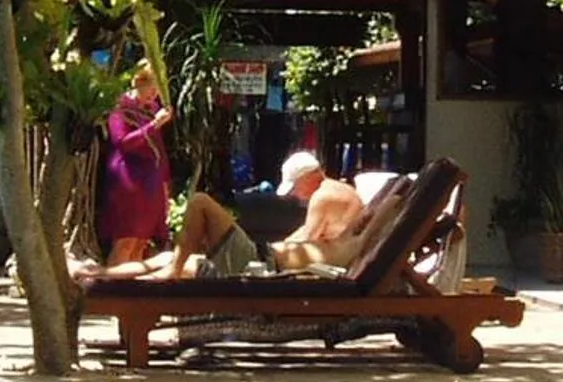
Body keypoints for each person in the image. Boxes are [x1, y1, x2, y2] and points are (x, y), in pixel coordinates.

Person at [147, 149, 369, 281]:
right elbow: (305, 238)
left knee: (200, 202)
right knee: (184, 262)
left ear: (307, 178)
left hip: (262, 263)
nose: (295, 195)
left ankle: (171, 273)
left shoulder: (323, 197)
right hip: (266, 257)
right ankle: (116, 278)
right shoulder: (345, 193)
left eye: (295, 188)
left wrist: (277, 248)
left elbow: (307, 240)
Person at [100, 63, 173, 266]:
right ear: (138, 82)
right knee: (126, 240)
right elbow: (122, 142)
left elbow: (159, 150)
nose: (154, 93)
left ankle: (130, 290)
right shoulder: (120, 106)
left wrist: (165, 184)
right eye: (151, 86)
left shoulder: (153, 109)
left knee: (141, 242)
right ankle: (113, 290)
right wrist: (153, 125)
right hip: (127, 179)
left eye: (158, 88)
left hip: (150, 182)